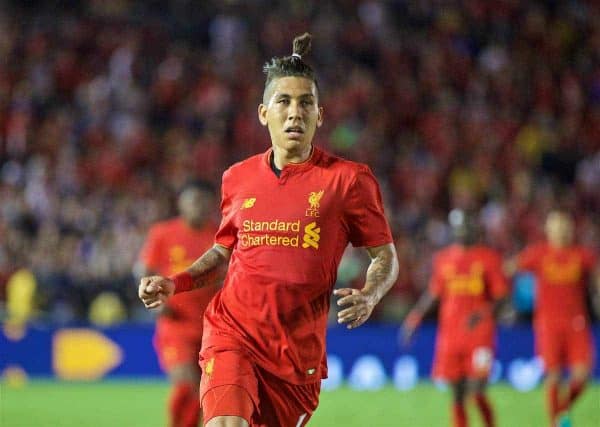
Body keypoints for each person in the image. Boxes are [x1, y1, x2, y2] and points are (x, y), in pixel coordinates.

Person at [138, 33, 399, 427]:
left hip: (296, 357)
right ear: (264, 113)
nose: (295, 112)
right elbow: (223, 254)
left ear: (320, 115)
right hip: (232, 334)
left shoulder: (349, 181)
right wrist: (176, 283)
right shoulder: (237, 178)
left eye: (305, 103)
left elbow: (386, 256)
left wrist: (370, 295)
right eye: (284, 101)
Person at [402, 209, 509, 427]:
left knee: (476, 390)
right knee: (457, 395)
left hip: (479, 334)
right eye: (458, 227)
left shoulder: (488, 258)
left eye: (466, 226)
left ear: (474, 229)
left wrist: (483, 313)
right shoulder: (443, 259)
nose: (463, 231)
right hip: (450, 335)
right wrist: (414, 319)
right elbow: (434, 294)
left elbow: (501, 297)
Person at [136, 180, 221, 427]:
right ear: (181, 203)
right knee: (185, 384)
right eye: (193, 200)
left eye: (203, 201)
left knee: (209, 391)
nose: (198, 206)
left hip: (211, 326)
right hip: (175, 325)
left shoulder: (219, 237)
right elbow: (144, 271)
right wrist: (151, 296)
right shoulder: (163, 233)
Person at [511, 210, 599, 427]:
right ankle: (555, 423)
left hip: (577, 322)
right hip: (548, 324)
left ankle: (563, 409)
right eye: (557, 226)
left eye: (565, 226)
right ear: (548, 230)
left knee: (582, 374)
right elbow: (510, 267)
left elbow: (597, 275)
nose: (561, 231)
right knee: (553, 376)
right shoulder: (538, 254)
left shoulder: (582, 255)